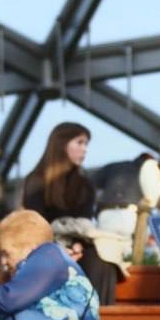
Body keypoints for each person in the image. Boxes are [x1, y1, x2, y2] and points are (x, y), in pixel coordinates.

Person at [22, 122, 120, 305]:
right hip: (45, 245)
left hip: (77, 245)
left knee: (102, 261)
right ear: (62, 144)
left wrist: (77, 246)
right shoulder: (36, 181)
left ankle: (98, 313)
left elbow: (84, 223)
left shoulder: (84, 184)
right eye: (79, 143)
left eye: (86, 144)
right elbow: (34, 223)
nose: (84, 149)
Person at [93, 151, 160, 256]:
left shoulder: (114, 166)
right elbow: (154, 196)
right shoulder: (149, 169)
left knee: (103, 254)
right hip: (131, 216)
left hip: (105, 214)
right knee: (127, 257)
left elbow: (91, 186)